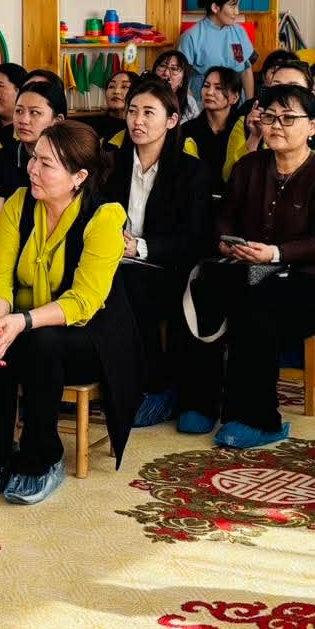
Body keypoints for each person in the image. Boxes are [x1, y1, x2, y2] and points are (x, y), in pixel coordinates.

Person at [0, 119, 140, 504]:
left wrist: (21, 321)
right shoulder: (19, 203)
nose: (33, 169)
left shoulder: (105, 216)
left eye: (46, 164)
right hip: (26, 323)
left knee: (40, 342)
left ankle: (41, 457)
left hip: (91, 336)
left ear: (79, 177)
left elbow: (83, 301)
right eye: (34, 158)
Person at [181, 82, 315, 448]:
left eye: (288, 118)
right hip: (254, 267)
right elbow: (224, 216)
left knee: (257, 307)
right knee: (203, 286)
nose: (276, 125)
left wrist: (274, 253)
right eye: (270, 116)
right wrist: (226, 241)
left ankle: (257, 418)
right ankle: (201, 402)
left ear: (312, 126)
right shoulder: (249, 166)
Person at [107, 76, 213, 428]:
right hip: (114, 262)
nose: (137, 121)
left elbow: (194, 240)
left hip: (168, 268)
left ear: (172, 120)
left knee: (131, 285)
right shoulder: (111, 165)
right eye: (132, 111)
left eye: (148, 113)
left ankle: (155, 386)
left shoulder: (191, 172)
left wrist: (139, 246)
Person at [0, 76, 64, 262]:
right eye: (19, 111)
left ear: (57, 120)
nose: (24, 120)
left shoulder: (73, 160)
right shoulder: (2, 158)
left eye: (34, 113)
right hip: (7, 250)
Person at [177, 0, 254, 78]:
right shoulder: (191, 36)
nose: (237, 12)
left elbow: (246, 71)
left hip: (235, 87)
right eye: (233, 7)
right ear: (215, 8)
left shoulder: (239, 31)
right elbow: (181, 77)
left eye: (238, 6)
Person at [187, 65, 243, 177]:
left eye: (218, 88)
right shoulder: (188, 130)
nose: (209, 92)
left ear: (235, 98)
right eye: (206, 86)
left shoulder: (244, 129)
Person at [83, 68, 132, 142]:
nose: (116, 91)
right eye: (111, 86)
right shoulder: (89, 127)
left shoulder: (138, 128)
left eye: (124, 87)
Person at [149, 49, 193, 119]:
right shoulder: (143, 97)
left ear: (182, 81)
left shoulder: (190, 104)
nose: (166, 73)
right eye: (162, 66)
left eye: (174, 69)